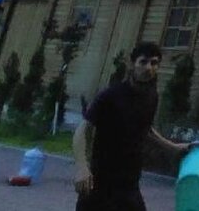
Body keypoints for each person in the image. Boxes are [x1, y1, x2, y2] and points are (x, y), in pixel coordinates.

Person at [73, 41, 190, 211]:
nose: (148, 68)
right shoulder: (110, 96)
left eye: (154, 63)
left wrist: (173, 148)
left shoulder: (151, 97)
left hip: (129, 184)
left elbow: (146, 129)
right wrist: (82, 168)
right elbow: (81, 131)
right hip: (100, 184)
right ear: (132, 64)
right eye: (143, 62)